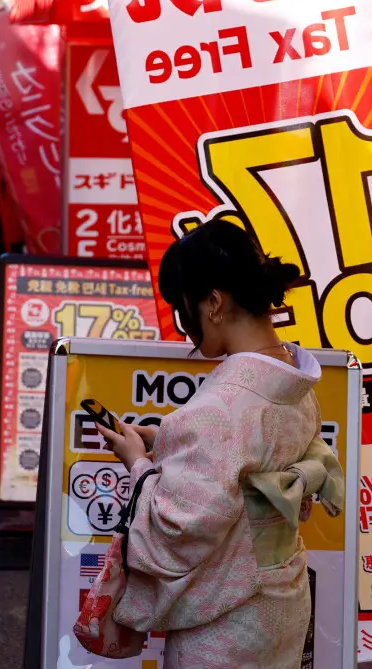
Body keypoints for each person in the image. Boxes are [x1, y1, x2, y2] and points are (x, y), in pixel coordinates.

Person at [97, 219, 345, 669]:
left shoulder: (222, 408)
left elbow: (182, 527)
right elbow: (245, 456)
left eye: (182, 307)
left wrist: (139, 465)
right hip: (281, 598)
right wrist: (167, 439)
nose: (183, 323)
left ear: (213, 302)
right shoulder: (294, 379)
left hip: (227, 620)